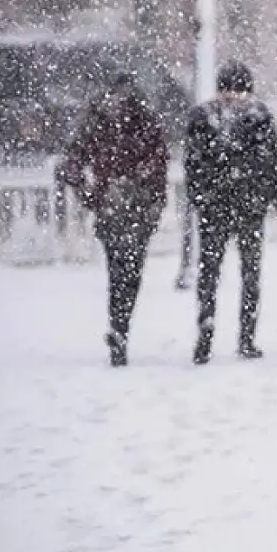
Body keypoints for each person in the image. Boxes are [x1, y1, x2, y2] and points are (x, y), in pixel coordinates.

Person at [57, 72, 169, 366]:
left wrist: (91, 192)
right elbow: (159, 165)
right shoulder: (140, 121)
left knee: (119, 270)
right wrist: (154, 200)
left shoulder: (100, 121)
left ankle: (118, 327)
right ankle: (120, 326)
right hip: (130, 204)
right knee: (128, 271)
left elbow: (72, 163)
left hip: (118, 204)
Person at [184, 61, 277, 365]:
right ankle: (241, 337)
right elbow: (270, 164)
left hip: (221, 208)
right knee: (245, 273)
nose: (234, 99)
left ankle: (211, 335)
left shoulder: (204, 117)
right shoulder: (257, 116)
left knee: (214, 273)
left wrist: (202, 197)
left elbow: (194, 164)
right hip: (246, 207)